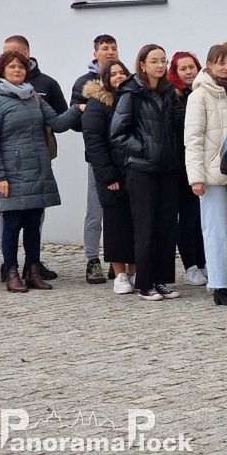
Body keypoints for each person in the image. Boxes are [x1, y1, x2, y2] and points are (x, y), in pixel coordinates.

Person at [0, 51, 84, 292]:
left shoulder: (34, 97)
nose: (17, 70)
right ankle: (11, 272)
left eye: (21, 67)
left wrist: (79, 109)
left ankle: (32, 271)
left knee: (33, 224)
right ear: (3, 71)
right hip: (11, 173)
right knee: (11, 224)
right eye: (12, 67)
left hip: (38, 170)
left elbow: (58, 123)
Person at [110, 44, 182, 302]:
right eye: (154, 61)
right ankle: (145, 283)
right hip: (142, 170)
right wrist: (143, 149)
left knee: (165, 226)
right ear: (142, 64)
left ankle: (161, 280)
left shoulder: (169, 92)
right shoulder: (131, 92)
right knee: (146, 226)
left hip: (168, 168)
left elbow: (177, 126)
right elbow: (117, 133)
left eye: (163, 60)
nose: (160, 65)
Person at [185, 45, 227, 307]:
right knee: (215, 229)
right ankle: (220, 285)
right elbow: (193, 138)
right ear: (209, 65)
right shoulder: (199, 96)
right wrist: (196, 176)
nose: (226, 67)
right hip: (210, 173)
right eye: (220, 63)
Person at [81, 61, 136, 295]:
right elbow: (94, 143)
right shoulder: (97, 104)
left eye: (121, 72)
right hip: (111, 174)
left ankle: (136, 272)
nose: (118, 76)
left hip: (135, 171)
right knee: (115, 224)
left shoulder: (135, 98)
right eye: (113, 74)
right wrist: (107, 176)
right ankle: (119, 273)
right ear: (104, 78)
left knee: (137, 223)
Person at [71, 34, 120, 285]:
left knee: (120, 211)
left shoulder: (124, 79)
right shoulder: (84, 83)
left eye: (113, 47)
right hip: (98, 157)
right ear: (95, 53)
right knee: (96, 210)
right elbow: (77, 122)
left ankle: (118, 259)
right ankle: (92, 260)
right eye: (104, 48)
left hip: (124, 158)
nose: (110, 52)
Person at [169, 51, 208, 287]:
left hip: (203, 161)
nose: (189, 72)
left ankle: (202, 262)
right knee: (187, 217)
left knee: (199, 217)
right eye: (183, 68)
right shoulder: (173, 96)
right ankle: (190, 265)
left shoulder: (203, 92)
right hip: (181, 164)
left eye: (191, 67)